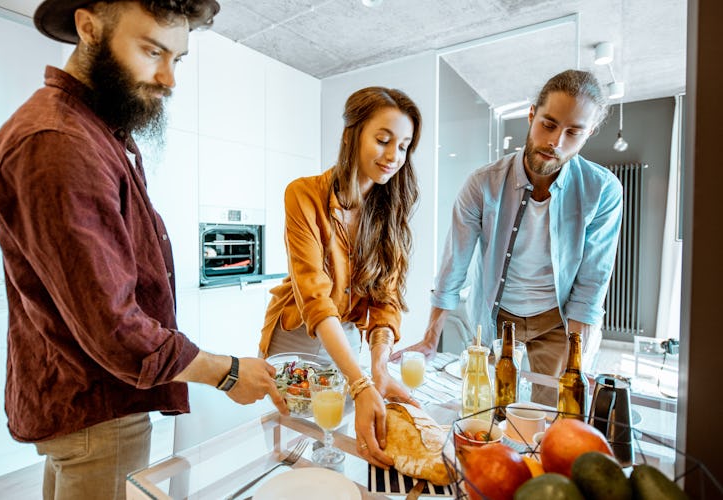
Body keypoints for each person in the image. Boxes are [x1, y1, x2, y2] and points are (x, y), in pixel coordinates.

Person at [0, 1, 287, 498]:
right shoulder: (60, 141)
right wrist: (227, 372)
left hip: (84, 408)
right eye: (151, 50)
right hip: (99, 411)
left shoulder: (92, 131)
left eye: (177, 59)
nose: (169, 79)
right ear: (88, 26)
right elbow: (116, 329)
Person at [392, 70, 623, 406]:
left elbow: (591, 284)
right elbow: (454, 265)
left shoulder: (602, 191)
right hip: (496, 316)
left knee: (549, 415)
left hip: (558, 320)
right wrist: (430, 339)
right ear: (531, 116)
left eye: (573, 132)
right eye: (548, 124)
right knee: (488, 408)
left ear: (587, 135)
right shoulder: (482, 184)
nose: (556, 142)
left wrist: (578, 359)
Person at [259, 86, 422, 468]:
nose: (393, 156)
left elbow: (386, 302)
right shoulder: (303, 195)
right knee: (294, 454)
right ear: (352, 135)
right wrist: (361, 381)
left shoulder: (388, 210)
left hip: (345, 339)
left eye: (403, 146)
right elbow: (315, 298)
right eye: (383, 140)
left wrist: (378, 369)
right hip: (297, 339)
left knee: (334, 449)